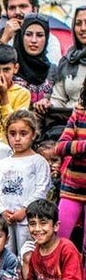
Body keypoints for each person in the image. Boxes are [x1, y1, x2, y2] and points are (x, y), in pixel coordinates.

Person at [0, 110, 52, 255]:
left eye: (23, 133)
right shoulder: (2, 163)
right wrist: (2, 211)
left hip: (28, 220)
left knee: (28, 254)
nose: (17, 138)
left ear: (34, 135)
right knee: (7, 254)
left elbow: (42, 189)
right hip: (5, 220)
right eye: (12, 134)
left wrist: (25, 210)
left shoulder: (38, 161)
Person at [43, 5, 86, 138]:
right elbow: (59, 99)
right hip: (68, 125)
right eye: (78, 23)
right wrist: (47, 103)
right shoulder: (67, 61)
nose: (83, 28)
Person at [54, 80, 86, 260]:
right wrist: (83, 146)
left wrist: (75, 147)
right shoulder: (80, 112)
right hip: (71, 188)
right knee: (59, 238)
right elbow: (60, 147)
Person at [12, 13, 55, 114]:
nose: (34, 40)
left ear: (47, 38)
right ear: (21, 36)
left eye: (40, 35)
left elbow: (60, 100)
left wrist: (49, 103)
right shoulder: (10, 67)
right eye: (28, 34)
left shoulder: (53, 70)